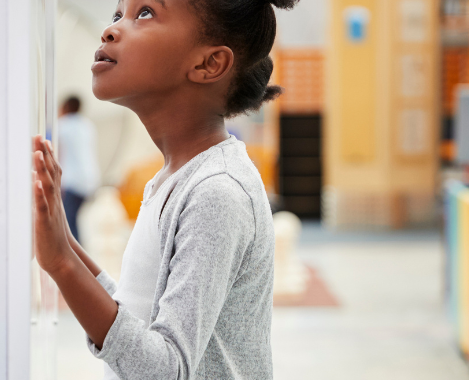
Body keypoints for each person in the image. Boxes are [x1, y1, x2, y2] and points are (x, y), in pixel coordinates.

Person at [31, 0, 294, 377]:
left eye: (145, 13)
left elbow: (165, 368)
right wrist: (62, 237)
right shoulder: (177, 175)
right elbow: (136, 309)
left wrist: (62, 263)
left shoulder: (217, 191)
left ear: (209, 64)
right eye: (118, 14)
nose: (112, 29)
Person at [57, 96, 102, 243]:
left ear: (65, 107)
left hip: (72, 181)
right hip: (90, 179)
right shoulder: (87, 125)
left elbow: (57, 152)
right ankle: (79, 251)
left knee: (69, 221)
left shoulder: (63, 126)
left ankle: (76, 255)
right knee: (74, 219)